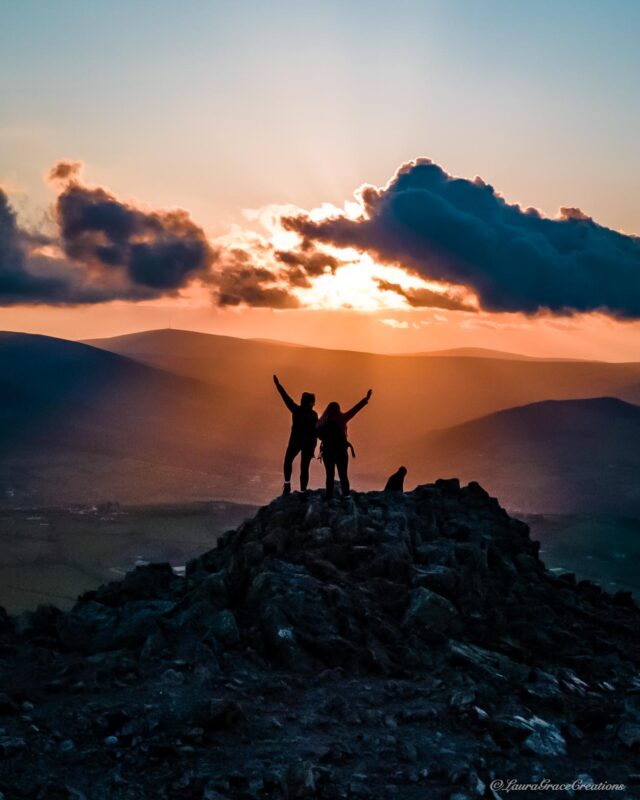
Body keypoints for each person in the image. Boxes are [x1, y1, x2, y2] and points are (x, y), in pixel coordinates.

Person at [317, 389, 373, 499]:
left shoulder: (322, 421)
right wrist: (366, 399)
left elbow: (317, 434)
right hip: (341, 452)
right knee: (343, 475)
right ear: (338, 409)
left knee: (329, 476)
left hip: (327, 453)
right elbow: (354, 410)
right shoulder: (341, 418)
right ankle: (346, 496)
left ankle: (329, 497)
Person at [273, 374, 318, 495]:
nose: (314, 403)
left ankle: (287, 485)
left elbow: (286, 398)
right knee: (304, 468)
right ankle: (303, 492)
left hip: (295, 441)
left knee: (288, 461)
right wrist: (314, 446)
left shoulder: (296, 410)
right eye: (313, 401)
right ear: (311, 403)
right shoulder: (313, 415)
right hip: (308, 444)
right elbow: (315, 432)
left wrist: (278, 385)